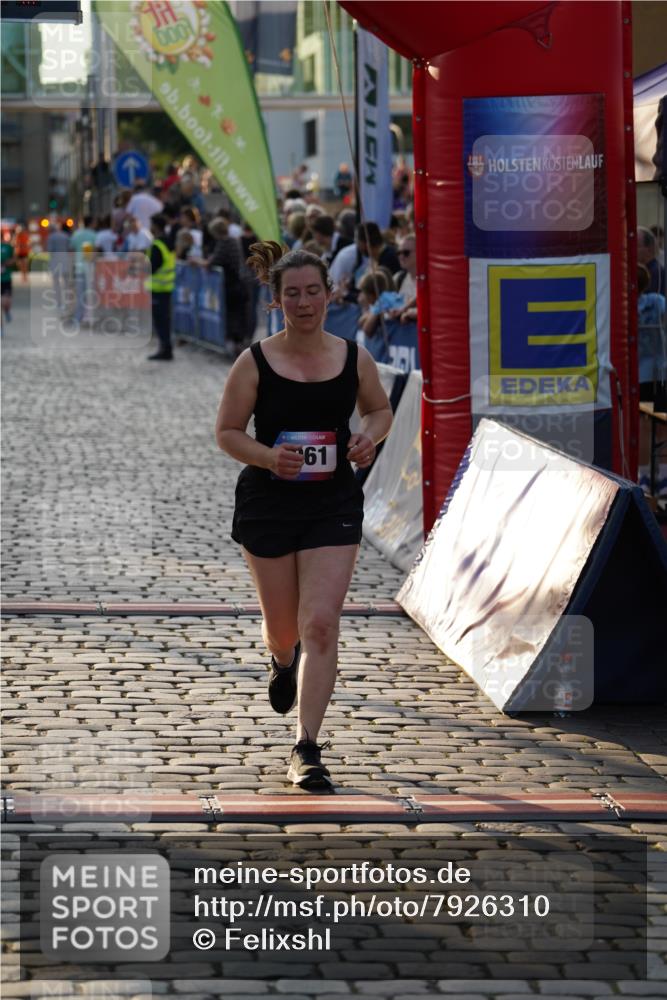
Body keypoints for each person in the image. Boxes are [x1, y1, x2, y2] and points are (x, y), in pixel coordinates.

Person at [215, 242, 393, 789]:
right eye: (292, 293)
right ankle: (281, 660)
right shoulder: (256, 361)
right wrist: (270, 457)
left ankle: (306, 747)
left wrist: (369, 438)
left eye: (313, 290)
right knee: (284, 629)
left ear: (329, 293)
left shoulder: (351, 356)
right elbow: (226, 433)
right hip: (269, 504)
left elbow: (379, 409)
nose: (304, 301)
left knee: (321, 623)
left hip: (332, 502)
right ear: (278, 300)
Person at [201, 216, 247, 353]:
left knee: (232, 314)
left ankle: (235, 343)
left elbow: (212, 263)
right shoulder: (233, 241)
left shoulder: (224, 243)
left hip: (231, 284)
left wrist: (199, 262)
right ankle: (237, 342)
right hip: (237, 283)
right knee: (238, 314)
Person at [146, 213, 176, 361]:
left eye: (151, 224)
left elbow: (152, 266)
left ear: (156, 226)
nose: (149, 227)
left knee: (160, 321)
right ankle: (166, 347)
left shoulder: (158, 245)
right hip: (167, 287)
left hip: (158, 288)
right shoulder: (168, 241)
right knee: (164, 320)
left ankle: (165, 349)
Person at [46, 222, 72, 313]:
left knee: (56, 283)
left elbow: (50, 250)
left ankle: (59, 303)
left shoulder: (50, 237)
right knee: (67, 282)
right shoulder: (65, 236)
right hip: (65, 259)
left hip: (55, 261)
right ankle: (68, 302)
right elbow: (70, 248)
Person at [638, 226, 665, 295]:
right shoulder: (641, 270)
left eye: (636, 246)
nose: (631, 250)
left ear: (649, 249)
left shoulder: (656, 273)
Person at [1, 236, 14, 324]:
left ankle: (7, 311)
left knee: (6, 302)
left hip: (6, 278)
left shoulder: (7, 247)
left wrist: (6, 263)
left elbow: (13, 258)